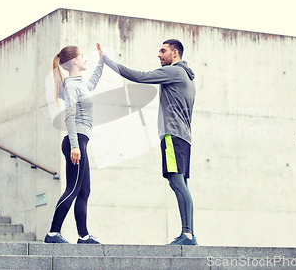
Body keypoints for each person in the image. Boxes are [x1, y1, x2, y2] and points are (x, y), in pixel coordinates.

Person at [97, 39, 197, 245]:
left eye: (163, 51)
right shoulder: (187, 77)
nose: (159, 55)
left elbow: (140, 77)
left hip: (173, 136)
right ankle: (187, 233)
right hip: (183, 137)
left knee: (177, 182)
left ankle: (187, 235)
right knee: (180, 184)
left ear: (175, 53)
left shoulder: (174, 72)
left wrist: (106, 61)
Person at [44, 45, 103, 244]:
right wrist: (75, 146)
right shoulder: (70, 86)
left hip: (80, 141)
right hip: (74, 141)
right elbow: (69, 116)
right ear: (74, 61)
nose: (85, 58)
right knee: (73, 188)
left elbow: (92, 83)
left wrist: (102, 62)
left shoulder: (80, 83)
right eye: (82, 56)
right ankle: (53, 233)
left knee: (84, 191)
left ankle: (83, 235)